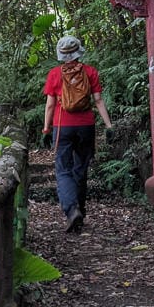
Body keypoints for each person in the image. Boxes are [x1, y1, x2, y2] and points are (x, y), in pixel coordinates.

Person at [42, 35, 113, 234]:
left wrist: (46, 129)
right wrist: (108, 126)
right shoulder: (90, 72)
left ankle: (72, 210)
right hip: (86, 126)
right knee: (81, 169)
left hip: (62, 125)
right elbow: (98, 100)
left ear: (61, 55)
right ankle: (80, 209)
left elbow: (50, 105)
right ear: (78, 51)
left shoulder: (55, 74)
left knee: (63, 169)